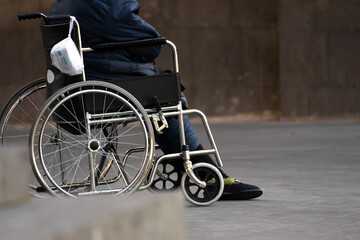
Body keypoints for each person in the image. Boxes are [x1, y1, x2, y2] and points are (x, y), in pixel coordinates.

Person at [50, 0, 262, 200]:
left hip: (77, 85)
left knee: (157, 91)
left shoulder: (61, 3)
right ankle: (205, 171)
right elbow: (152, 45)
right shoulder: (110, 5)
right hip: (107, 82)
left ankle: (192, 165)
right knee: (165, 96)